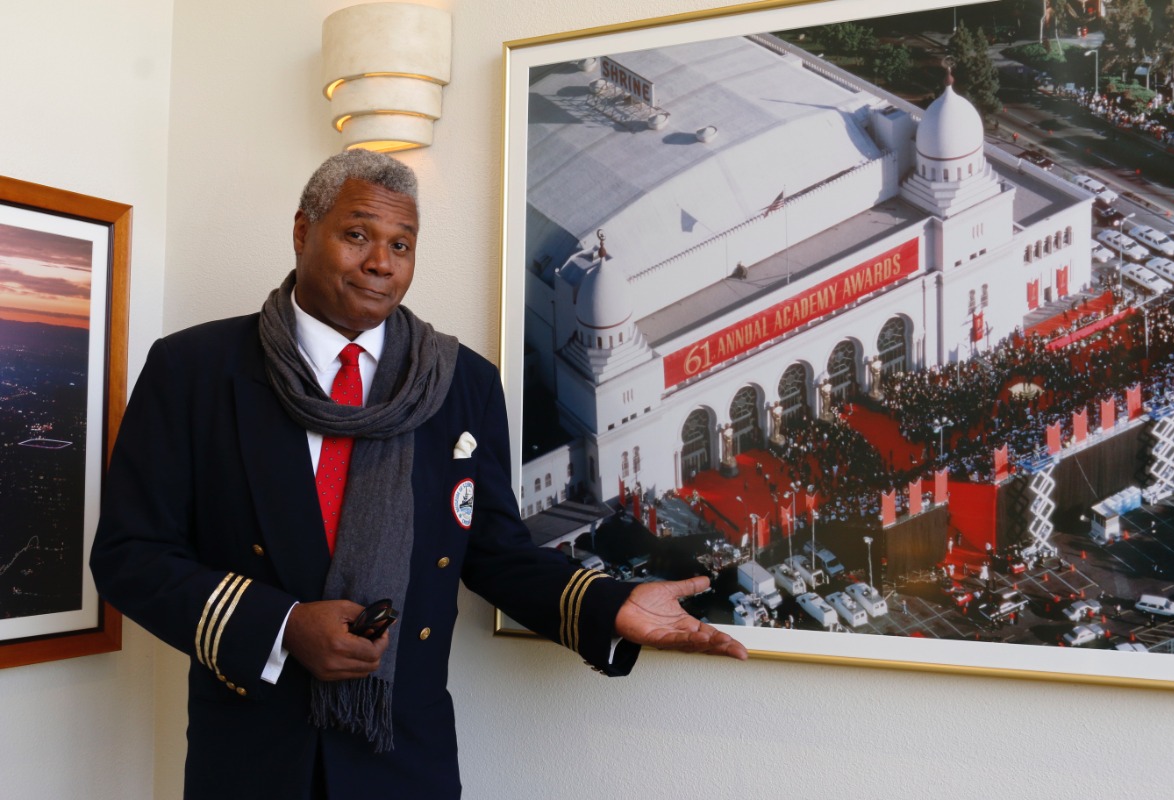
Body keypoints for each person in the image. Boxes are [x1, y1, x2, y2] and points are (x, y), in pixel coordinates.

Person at [90, 150, 746, 800]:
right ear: (301, 232)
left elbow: (493, 551)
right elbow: (129, 555)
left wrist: (611, 602)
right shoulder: (194, 370)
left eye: (401, 244)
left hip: (403, 758)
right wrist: (283, 626)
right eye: (357, 235)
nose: (382, 262)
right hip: (252, 757)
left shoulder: (462, 383)